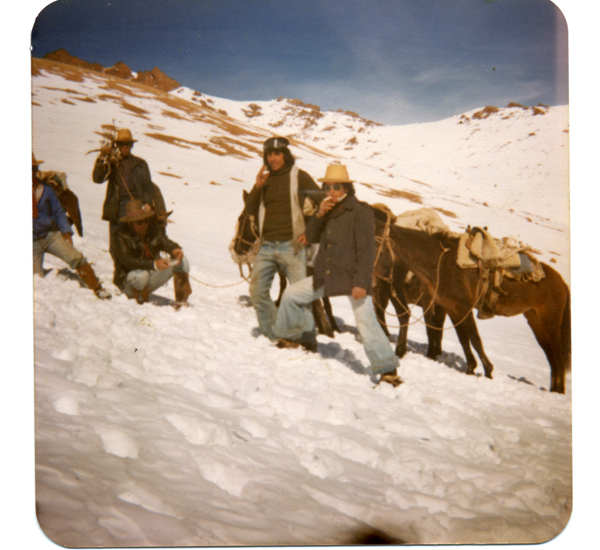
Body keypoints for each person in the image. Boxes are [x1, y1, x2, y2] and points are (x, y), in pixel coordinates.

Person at [274, 164, 402, 386]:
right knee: (292, 295)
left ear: (346, 188)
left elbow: (366, 250)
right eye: (327, 187)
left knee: (366, 323)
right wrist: (319, 214)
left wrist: (361, 282)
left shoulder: (361, 211)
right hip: (328, 275)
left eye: (335, 187)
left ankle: (388, 369)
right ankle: (288, 337)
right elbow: (312, 237)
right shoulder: (326, 209)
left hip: (353, 279)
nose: (330, 191)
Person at [244, 136, 321, 340]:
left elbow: (322, 204)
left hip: (293, 246)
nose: (273, 158)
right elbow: (250, 210)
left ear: (285, 155)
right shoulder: (265, 179)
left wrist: (310, 232)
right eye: (269, 154)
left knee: (299, 296)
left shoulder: (299, 176)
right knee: (257, 292)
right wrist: (258, 186)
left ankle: (307, 340)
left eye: (277, 154)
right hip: (267, 246)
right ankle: (278, 334)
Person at [32, 153, 111, 300]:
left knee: (76, 258)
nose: (32, 172)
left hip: (50, 235)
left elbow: (58, 211)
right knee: (35, 279)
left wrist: (66, 232)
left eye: (34, 168)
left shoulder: (46, 190)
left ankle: (97, 287)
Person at [92, 128, 155, 286]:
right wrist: (102, 159)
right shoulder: (112, 162)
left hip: (136, 208)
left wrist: (147, 202)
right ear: (117, 146)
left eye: (127, 144)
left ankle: (136, 279)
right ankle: (121, 278)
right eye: (121, 144)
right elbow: (97, 179)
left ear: (131, 146)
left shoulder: (140, 164)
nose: (124, 147)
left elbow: (148, 186)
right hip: (117, 208)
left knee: (135, 245)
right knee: (115, 247)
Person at [113, 199, 192, 307]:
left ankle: (182, 301)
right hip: (129, 283)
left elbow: (165, 242)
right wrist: (154, 264)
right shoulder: (120, 235)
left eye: (145, 220)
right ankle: (141, 304)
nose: (144, 225)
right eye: (139, 222)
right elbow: (127, 261)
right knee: (142, 275)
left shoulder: (152, 229)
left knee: (182, 261)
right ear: (130, 223)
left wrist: (174, 249)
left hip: (149, 276)